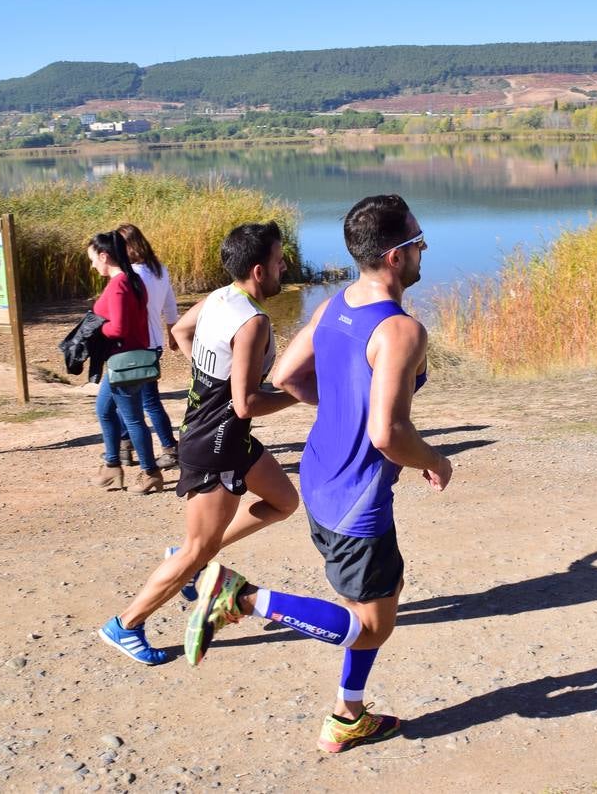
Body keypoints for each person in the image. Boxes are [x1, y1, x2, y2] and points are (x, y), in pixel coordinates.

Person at [183, 195, 452, 754]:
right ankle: (242, 597)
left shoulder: (336, 306)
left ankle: (347, 715)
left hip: (321, 474)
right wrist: (434, 459)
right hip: (357, 496)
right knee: (373, 624)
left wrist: (340, 408)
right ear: (397, 256)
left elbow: (285, 376)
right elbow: (387, 434)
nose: (425, 247)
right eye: (419, 239)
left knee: (388, 591)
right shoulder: (401, 331)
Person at [97, 221, 300, 666]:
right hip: (216, 443)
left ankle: (193, 555)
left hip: (220, 432)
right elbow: (246, 403)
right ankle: (126, 624)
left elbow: (179, 335)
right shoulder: (252, 321)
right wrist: (301, 394)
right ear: (259, 270)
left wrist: (208, 379)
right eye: (279, 259)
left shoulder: (220, 297)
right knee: (197, 549)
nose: (285, 265)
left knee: (284, 501)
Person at [89, 230, 163, 494]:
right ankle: (112, 467)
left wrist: (96, 329)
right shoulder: (133, 281)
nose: (93, 265)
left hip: (125, 361)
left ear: (104, 256)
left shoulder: (120, 284)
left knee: (132, 420)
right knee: (105, 410)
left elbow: (119, 328)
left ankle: (150, 472)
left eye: (93, 259)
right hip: (127, 358)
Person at [116, 223, 180, 470]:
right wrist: (172, 334)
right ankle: (128, 446)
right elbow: (171, 306)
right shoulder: (158, 270)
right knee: (139, 399)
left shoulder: (129, 275)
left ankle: (167, 448)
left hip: (133, 344)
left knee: (136, 399)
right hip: (153, 344)